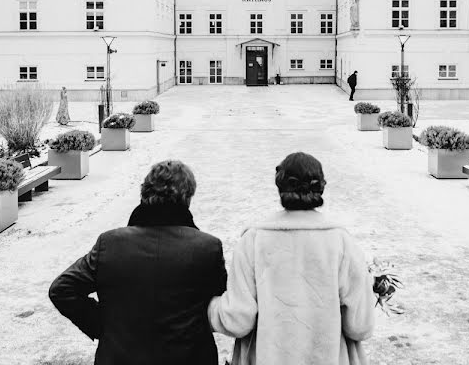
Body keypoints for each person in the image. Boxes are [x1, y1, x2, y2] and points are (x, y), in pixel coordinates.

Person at [49, 160, 227, 365]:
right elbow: (220, 299)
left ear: (144, 194)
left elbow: (62, 289)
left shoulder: (110, 243)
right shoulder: (207, 248)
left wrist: (102, 325)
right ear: (187, 199)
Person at [208, 152, 375, 365]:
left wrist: (208, 308)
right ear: (321, 186)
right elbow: (360, 325)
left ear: (280, 186)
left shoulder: (253, 240)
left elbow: (238, 320)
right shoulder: (341, 242)